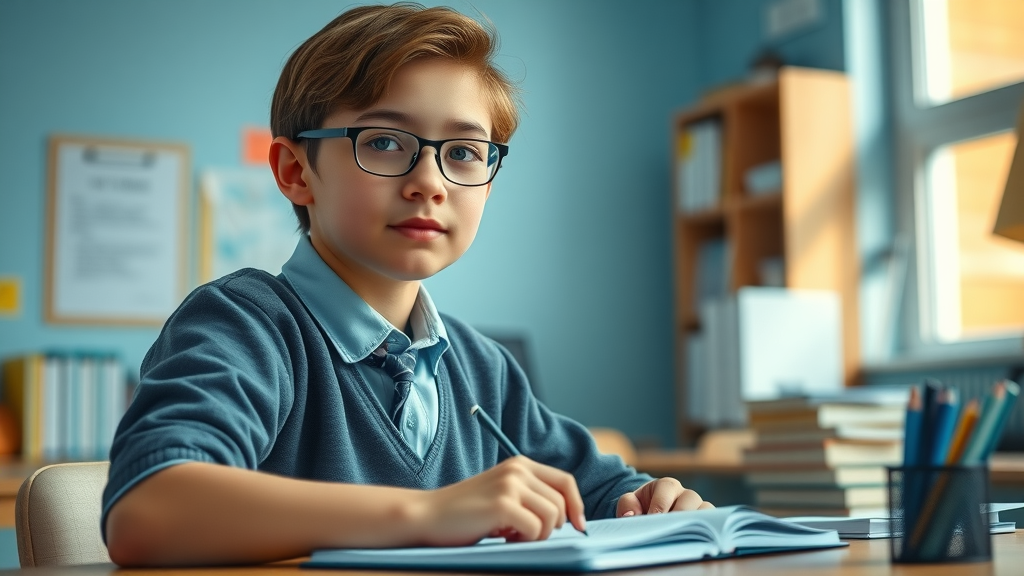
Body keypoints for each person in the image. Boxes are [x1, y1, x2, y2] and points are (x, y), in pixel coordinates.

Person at [102, 2, 711, 567]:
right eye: (386, 142)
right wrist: (428, 514)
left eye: (465, 152)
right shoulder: (246, 324)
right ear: (296, 172)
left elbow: (602, 490)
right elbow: (148, 508)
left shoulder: (482, 368)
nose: (430, 182)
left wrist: (651, 501)